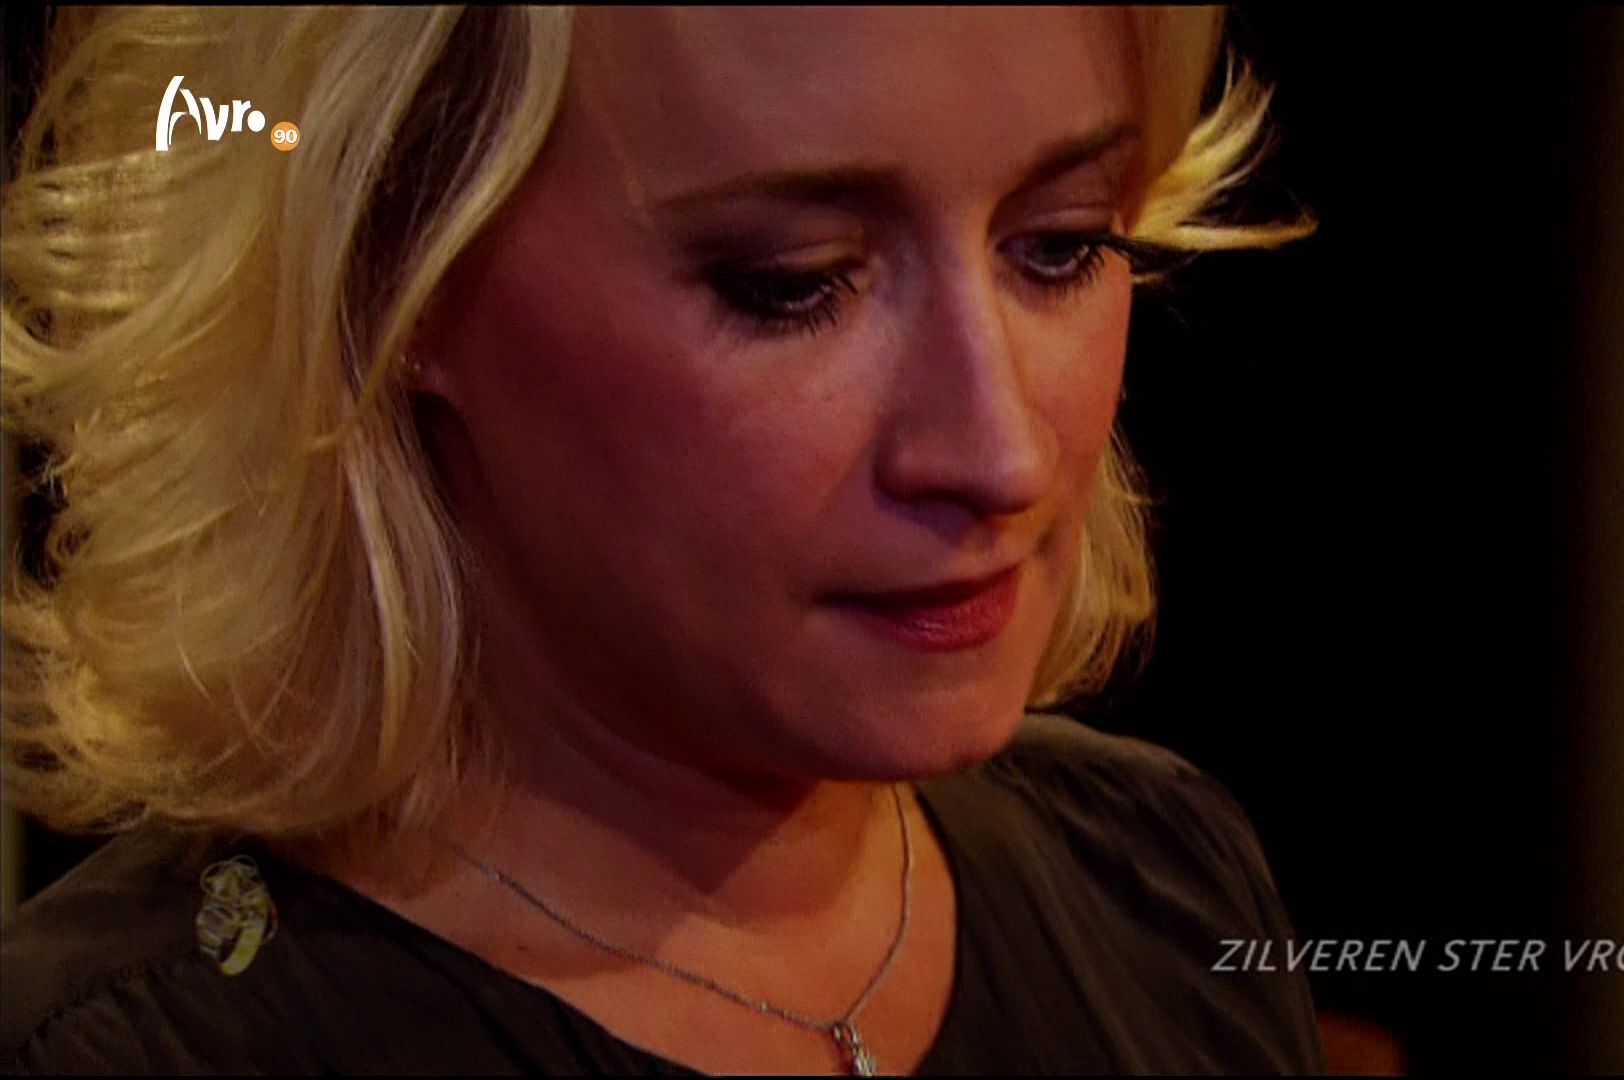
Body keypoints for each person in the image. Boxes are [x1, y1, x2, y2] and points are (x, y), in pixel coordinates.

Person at [0, 5, 1322, 1074]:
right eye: (791, 284)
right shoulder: (139, 1047)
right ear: (399, 279)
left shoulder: (1166, 886)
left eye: (1062, 247)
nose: (1001, 456)